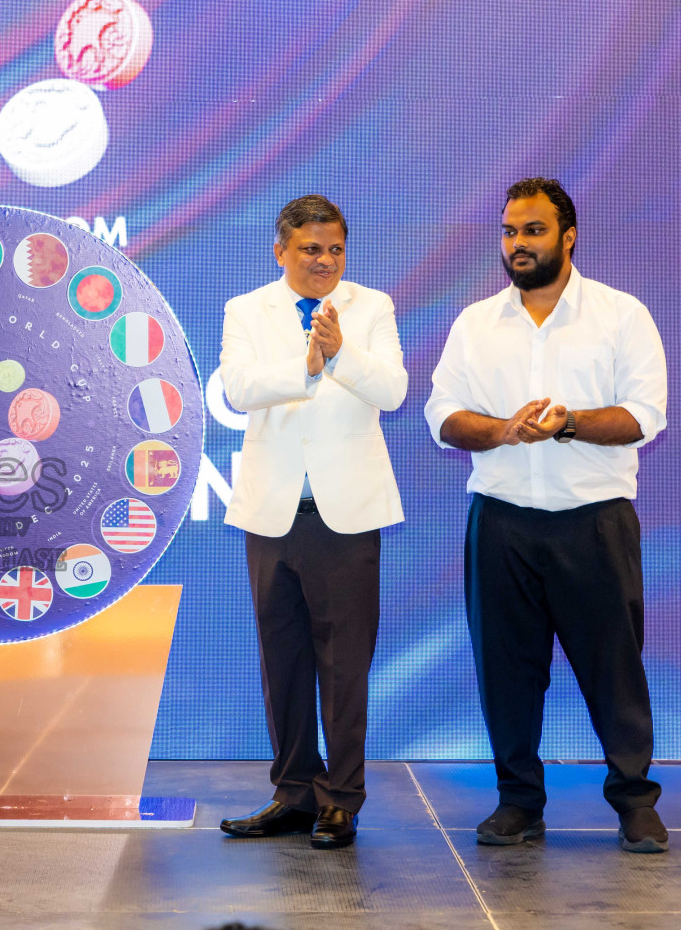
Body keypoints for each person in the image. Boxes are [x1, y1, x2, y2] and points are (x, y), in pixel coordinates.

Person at [425, 177, 667, 853]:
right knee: (506, 668)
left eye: (532, 231)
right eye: (508, 231)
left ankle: (633, 802)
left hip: (593, 521)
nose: (518, 244)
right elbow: (442, 415)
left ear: (568, 235)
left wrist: (567, 424)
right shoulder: (477, 322)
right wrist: (503, 431)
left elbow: (644, 416)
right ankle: (518, 803)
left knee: (612, 667)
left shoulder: (621, 316)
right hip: (501, 523)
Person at [217, 195, 407, 850]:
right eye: (310, 250)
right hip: (273, 515)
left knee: (345, 664)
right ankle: (294, 793)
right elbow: (238, 388)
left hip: (346, 518)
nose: (324, 261)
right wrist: (306, 362)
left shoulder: (372, 307)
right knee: (284, 662)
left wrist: (340, 352)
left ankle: (341, 801)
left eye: (334, 249)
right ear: (281, 251)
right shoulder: (246, 310)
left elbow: (392, 391)